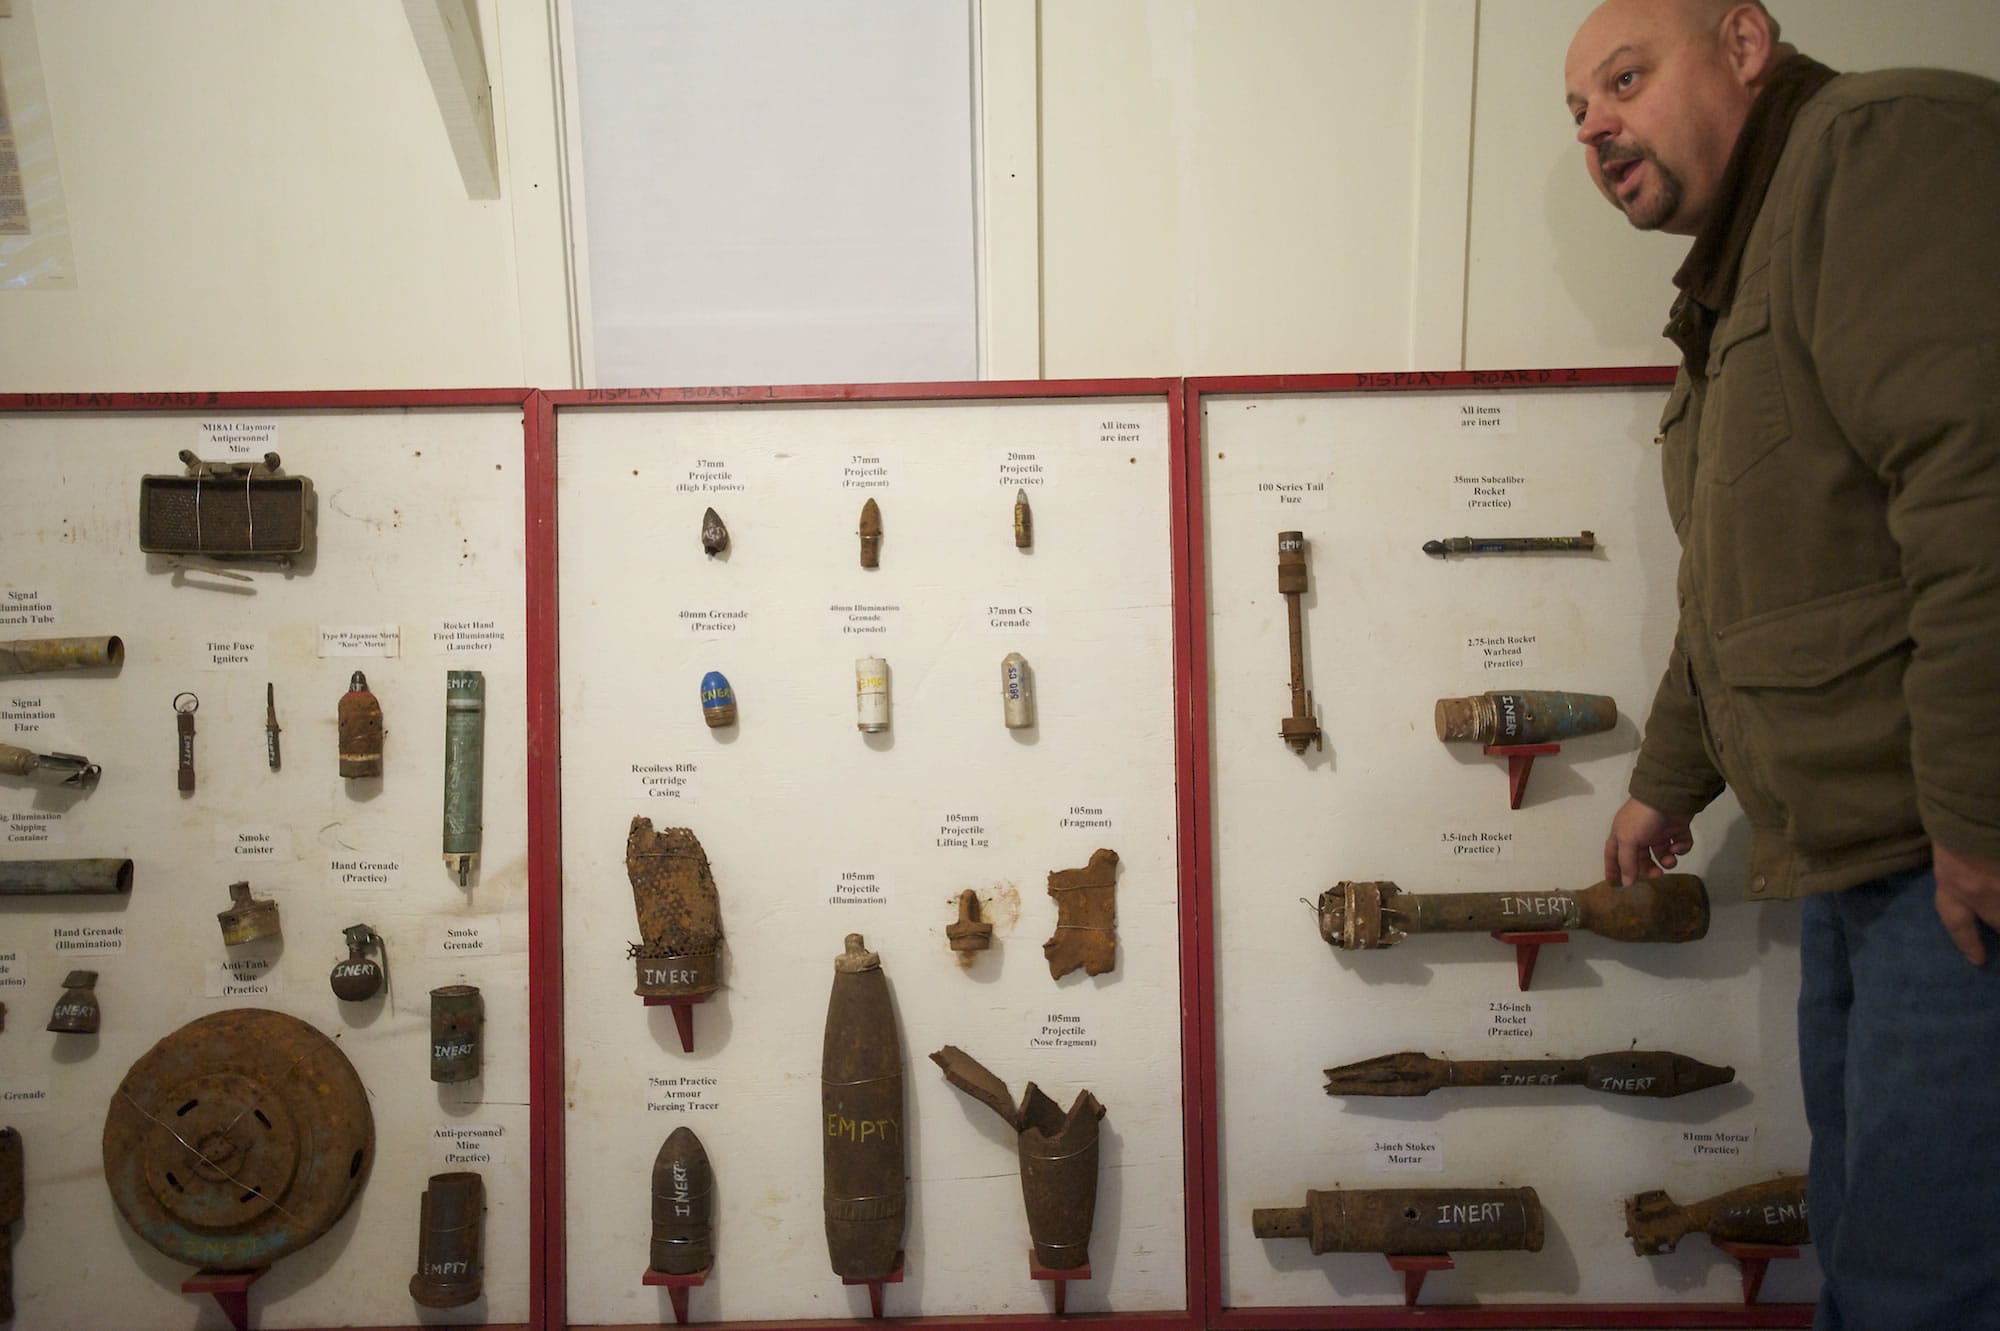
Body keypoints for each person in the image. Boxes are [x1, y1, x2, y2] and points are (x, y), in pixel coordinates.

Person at [1563, 2, 2000, 1326]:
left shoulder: (1878, 157)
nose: (1597, 128)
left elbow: (1978, 496)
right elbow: (1748, 591)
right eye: (1579, 112)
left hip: (1951, 860)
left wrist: (1984, 818)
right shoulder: (1739, 278)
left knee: (1929, 1284)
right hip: (1868, 860)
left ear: (1744, 44)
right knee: (1870, 1254)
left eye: (1625, 81)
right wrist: (1668, 782)